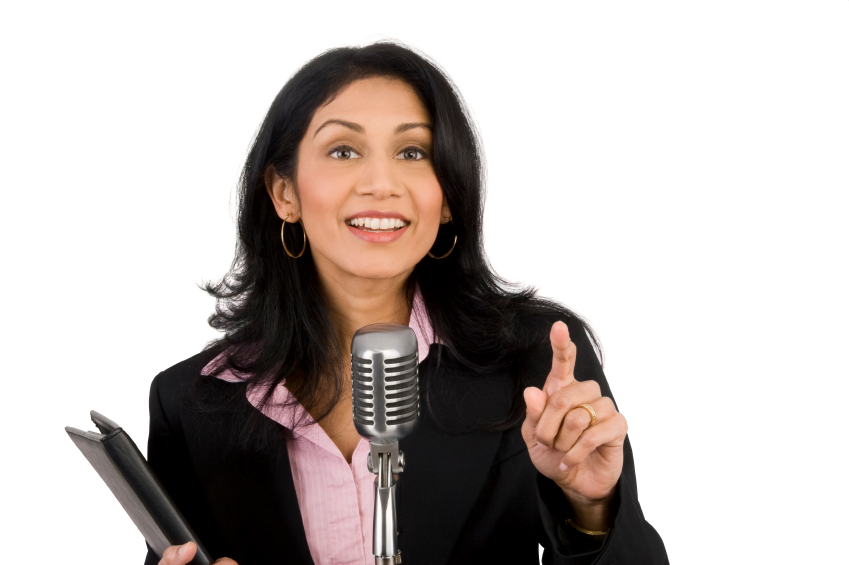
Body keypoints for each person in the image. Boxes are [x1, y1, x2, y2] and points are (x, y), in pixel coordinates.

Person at [147, 42, 668, 565]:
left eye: (413, 153)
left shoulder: (534, 363)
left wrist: (590, 506)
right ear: (285, 193)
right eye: (343, 151)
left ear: (447, 198)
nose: (381, 185)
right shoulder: (192, 405)